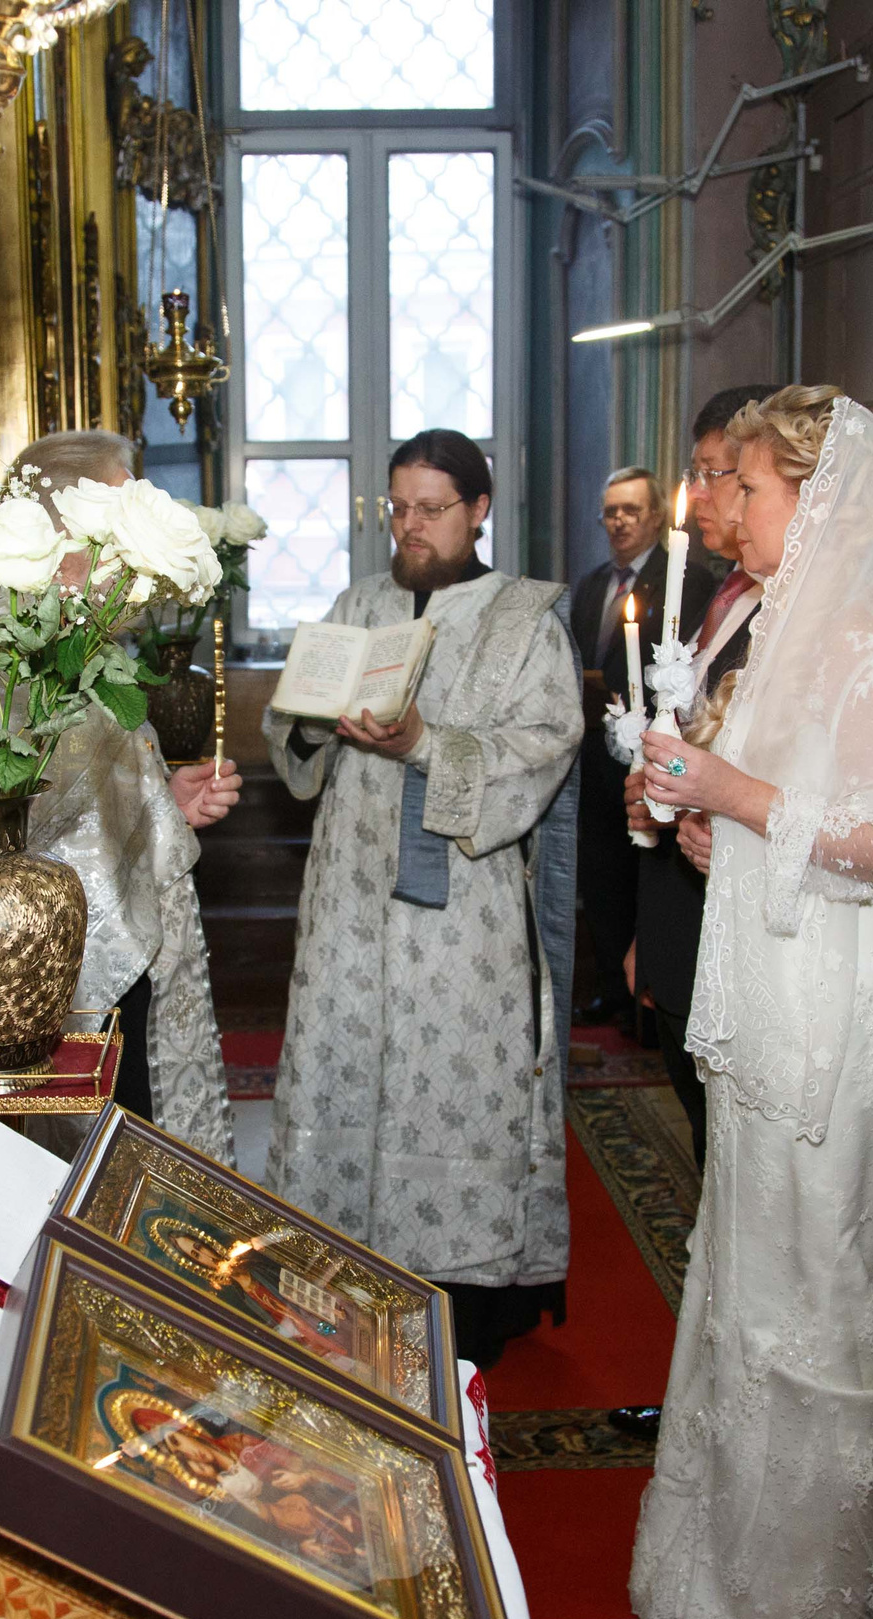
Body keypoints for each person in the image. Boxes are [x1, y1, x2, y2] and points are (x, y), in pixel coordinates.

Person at [625, 387, 873, 1619]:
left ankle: (817, 1580)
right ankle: (738, 1559)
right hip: (763, 978)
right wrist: (712, 833)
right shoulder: (775, 630)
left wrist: (734, 794)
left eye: (748, 488)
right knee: (751, 1263)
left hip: (831, 998)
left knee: (825, 1279)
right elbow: (781, 820)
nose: (724, 509)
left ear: (818, 501)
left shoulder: (872, 637)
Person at [261, 429, 583, 1369]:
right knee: (342, 1062)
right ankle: (337, 1273)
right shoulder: (359, 602)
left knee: (461, 1091)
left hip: (465, 924)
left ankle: (464, 1298)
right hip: (350, 904)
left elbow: (540, 753)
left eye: (431, 509)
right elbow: (295, 737)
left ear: (479, 511)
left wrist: (421, 746)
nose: (410, 525)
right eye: (398, 507)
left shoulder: (526, 622)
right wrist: (311, 719)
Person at [0, 430, 240, 1154]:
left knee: (122, 1157)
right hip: (20, 993)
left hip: (114, 964)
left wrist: (167, 797)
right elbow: (4, 823)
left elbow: (96, 798)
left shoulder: (87, 647)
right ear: (57, 531)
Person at [622, 383, 777, 1160]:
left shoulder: (809, 608)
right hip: (685, 913)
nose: (707, 495)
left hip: (749, 921)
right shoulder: (713, 591)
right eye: (703, 471)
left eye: (727, 475)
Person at [567, 466, 673, 1031]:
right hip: (591, 759)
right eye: (611, 511)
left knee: (643, 882)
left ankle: (649, 1003)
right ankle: (612, 988)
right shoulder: (589, 587)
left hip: (651, 761)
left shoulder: (684, 580)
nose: (619, 521)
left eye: (631, 510)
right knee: (602, 880)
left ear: (655, 515)